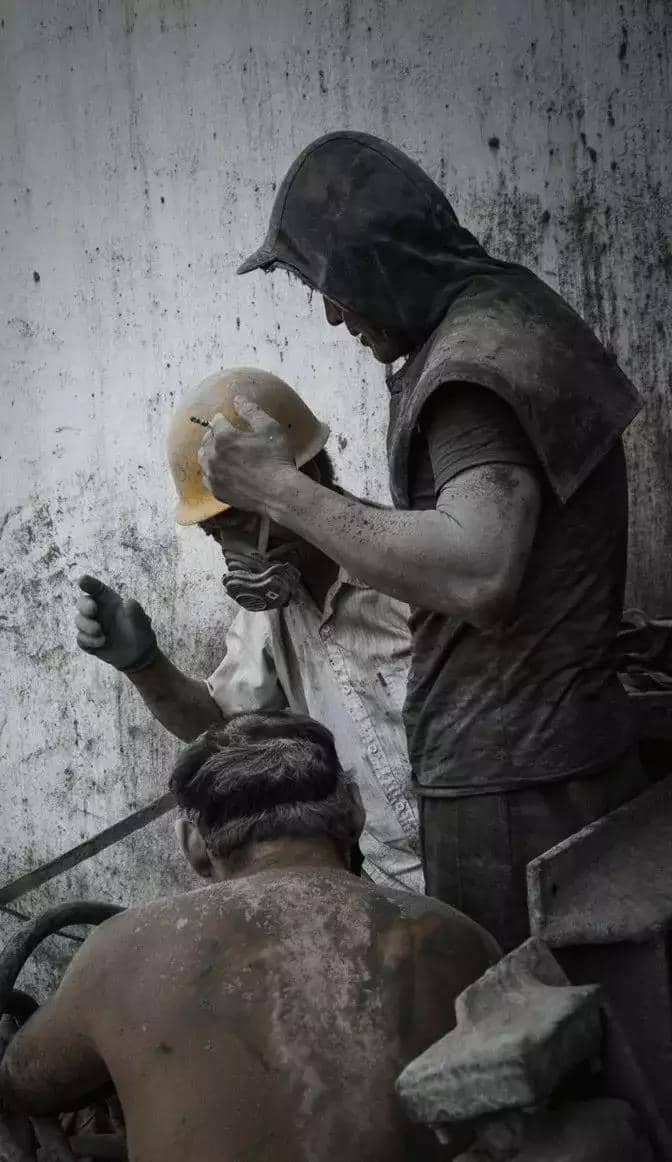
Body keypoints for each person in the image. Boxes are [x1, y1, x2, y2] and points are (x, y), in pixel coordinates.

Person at [198, 131, 648, 951]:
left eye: (332, 287)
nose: (334, 315)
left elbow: (479, 572)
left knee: (503, 1009)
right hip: (552, 761)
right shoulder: (513, 314)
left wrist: (277, 489)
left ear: (375, 264)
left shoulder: (469, 367)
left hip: (514, 782)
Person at [0, 711, 499, 1162]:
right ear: (354, 809)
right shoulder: (462, 940)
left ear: (194, 843)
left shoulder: (120, 949)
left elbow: (22, 1083)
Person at [75, 367, 422, 891]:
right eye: (217, 536)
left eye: (239, 525)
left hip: (486, 856)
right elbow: (221, 724)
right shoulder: (270, 612)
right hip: (391, 888)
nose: (233, 552)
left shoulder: (413, 572)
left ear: (304, 479)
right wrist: (145, 666)